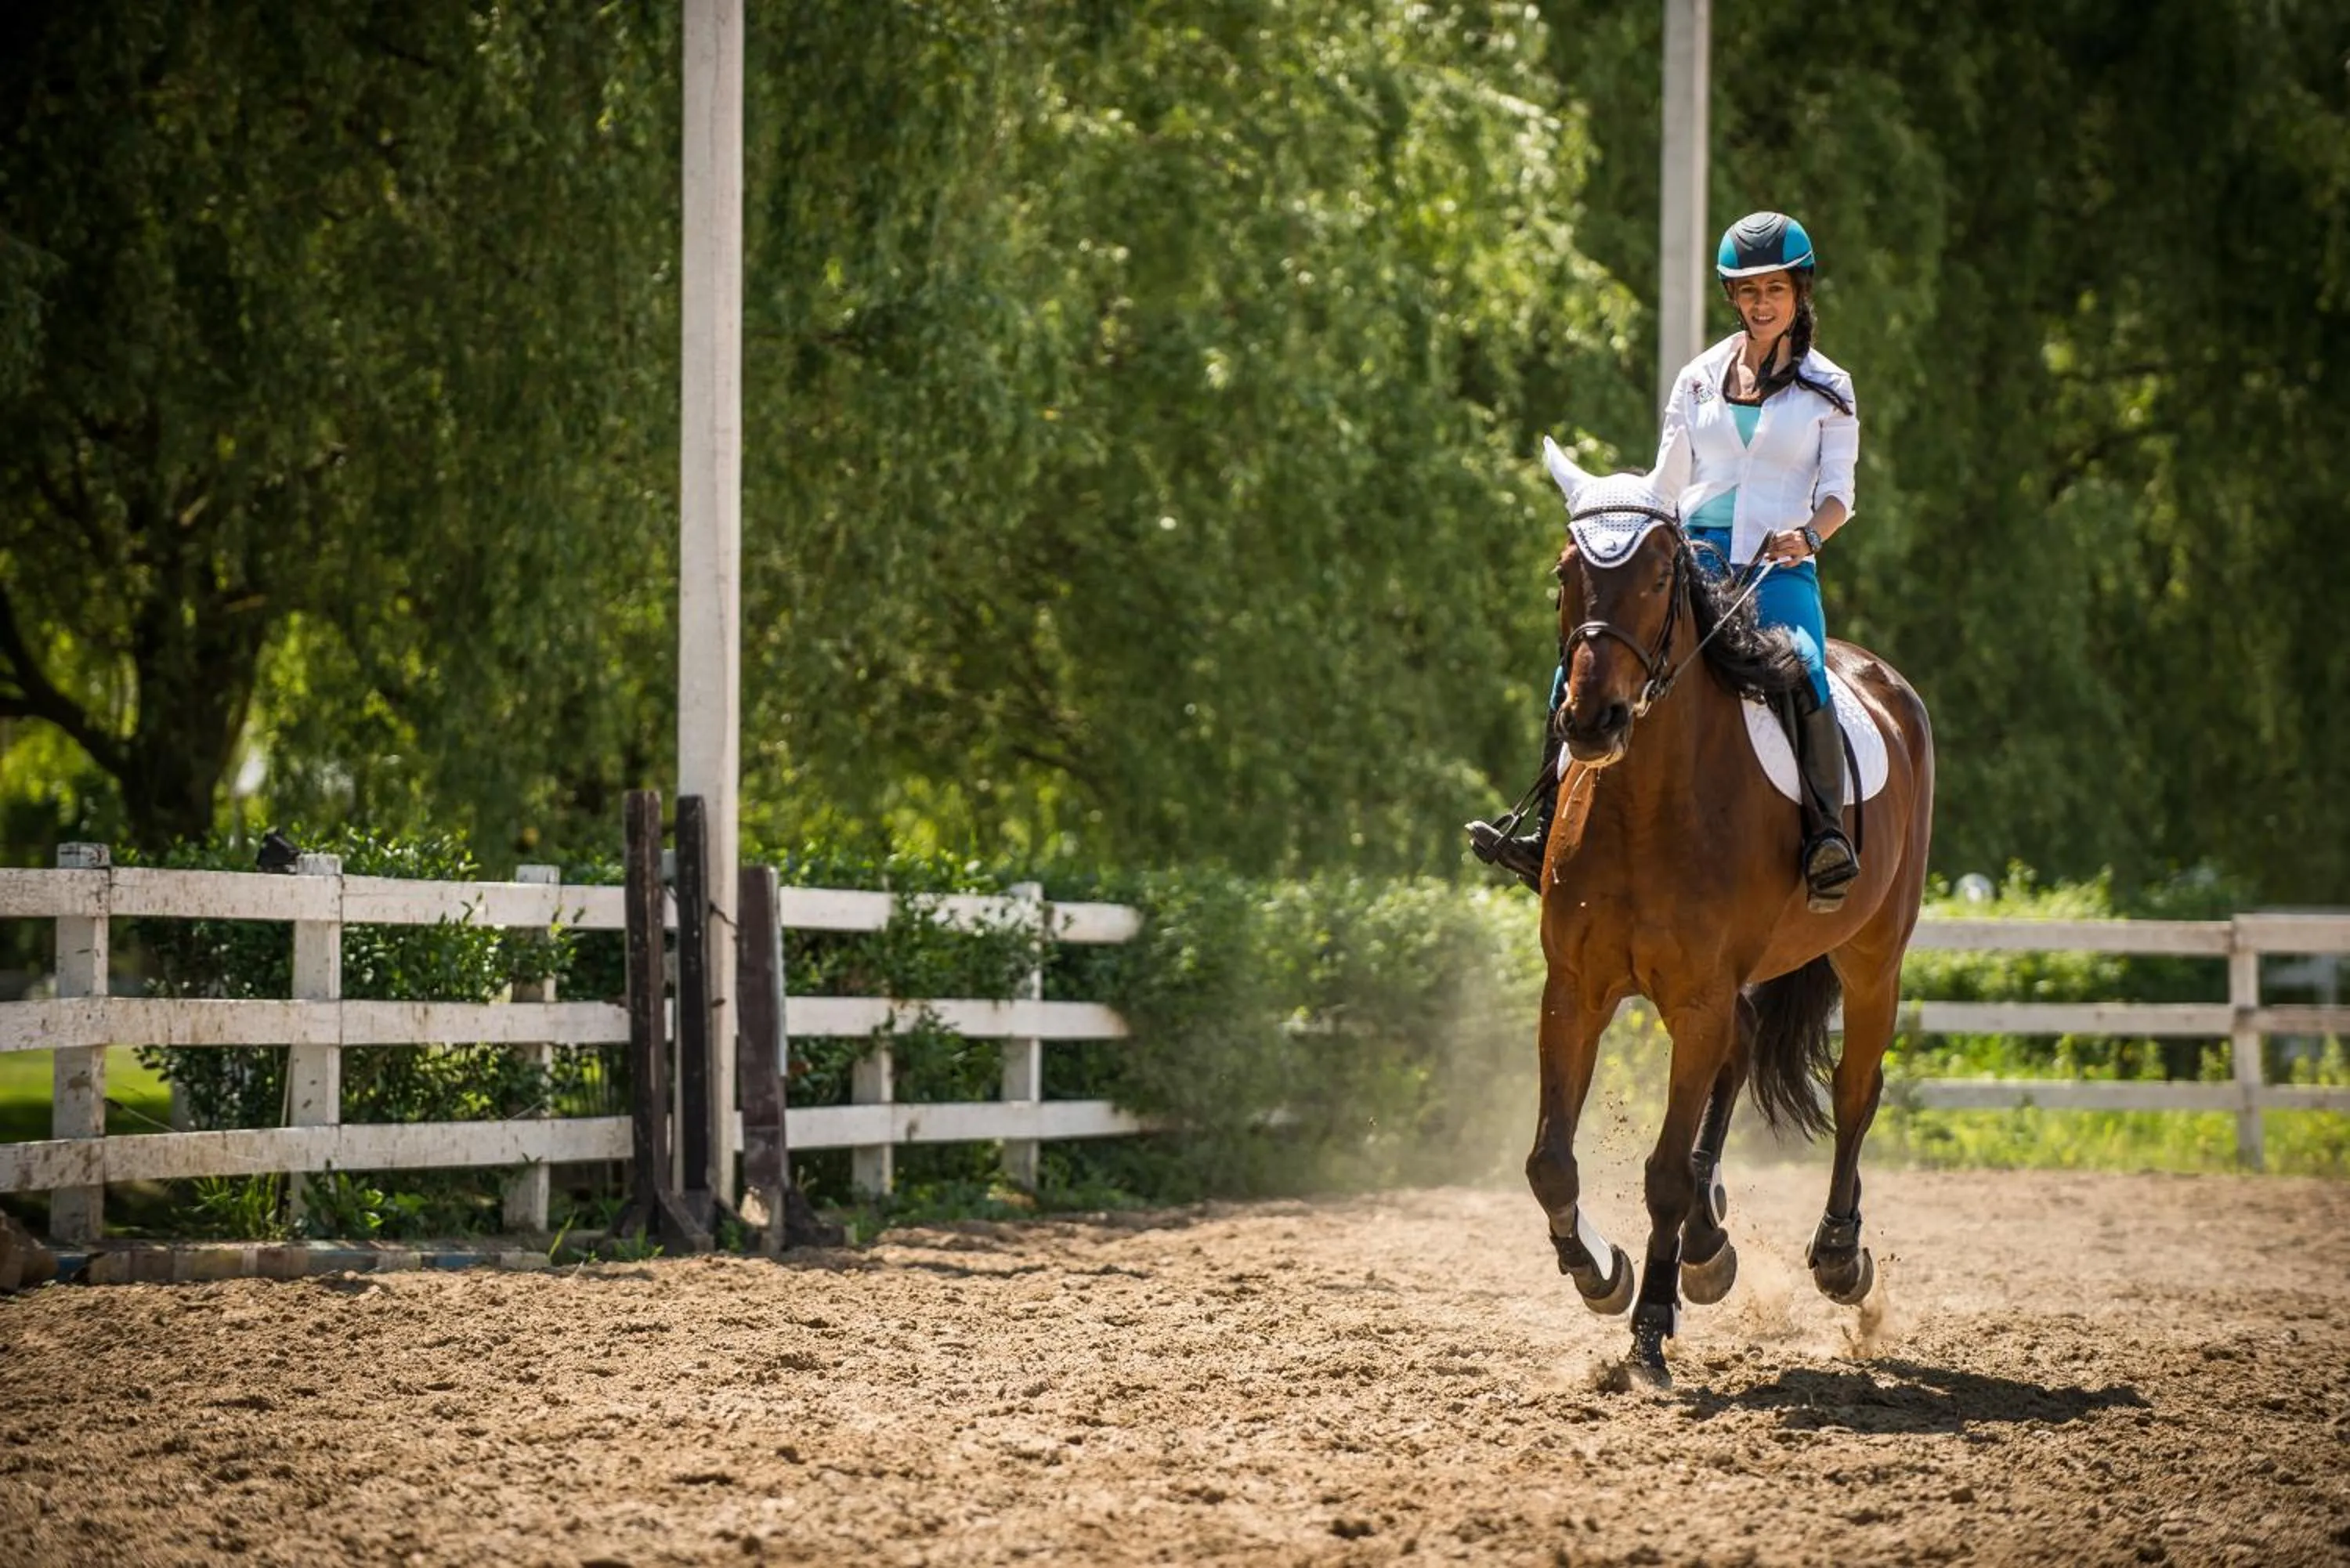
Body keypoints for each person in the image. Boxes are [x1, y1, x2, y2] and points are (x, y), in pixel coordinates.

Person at [1469, 210, 1861, 912]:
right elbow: (1669, 480)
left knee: (1804, 663)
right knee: (1581, 661)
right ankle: (1542, 822)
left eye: (1774, 289)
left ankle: (1826, 835)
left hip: (1778, 565)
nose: (1761, 304)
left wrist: (1810, 535)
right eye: (1748, 292)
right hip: (1695, 557)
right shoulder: (1699, 378)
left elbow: (1838, 495)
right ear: (1733, 299)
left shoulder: (1830, 388)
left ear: (1800, 293)